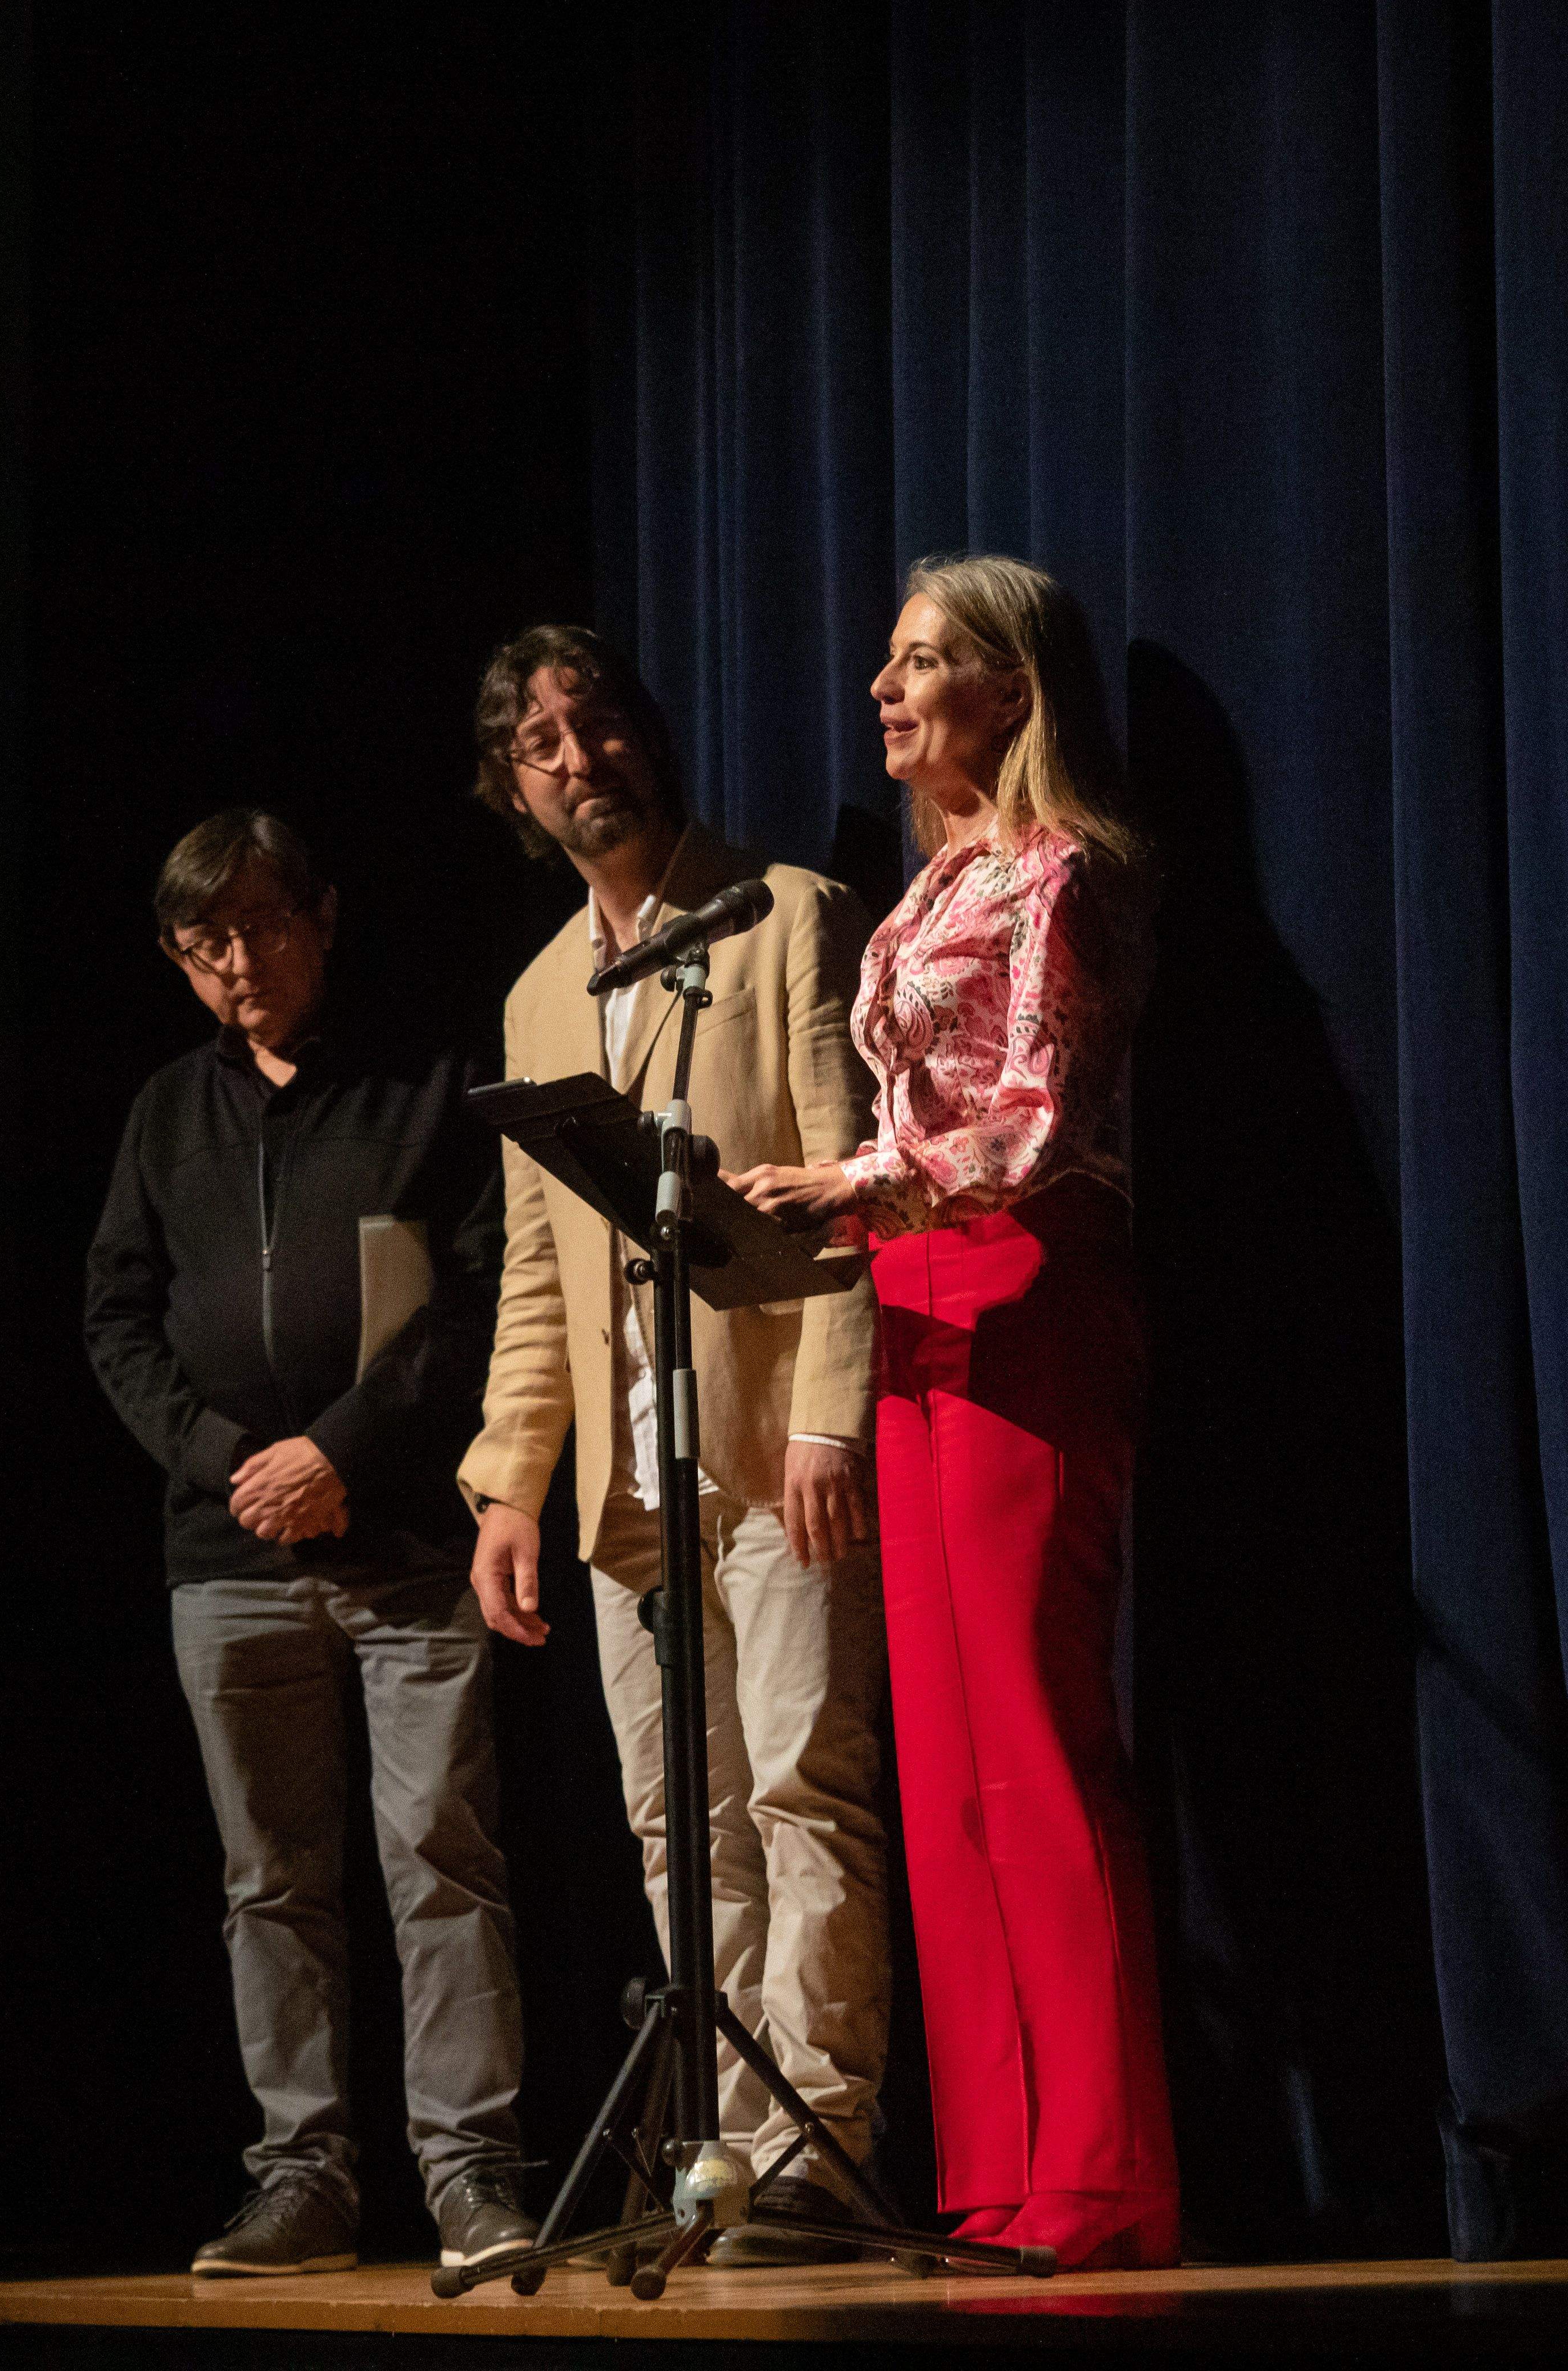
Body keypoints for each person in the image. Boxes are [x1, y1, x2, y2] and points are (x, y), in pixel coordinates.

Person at [730, 554, 1179, 2272]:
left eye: (923, 663)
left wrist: (848, 1183)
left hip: (1026, 1287)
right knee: (944, 1769)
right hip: (912, 1310)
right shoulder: (922, 894)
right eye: (888, 663)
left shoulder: (1066, 878)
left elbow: (1040, 1118)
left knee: (1036, 1741)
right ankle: (999, 2166)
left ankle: (1106, 2169)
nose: (884, 691)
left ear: (1013, 686)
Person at [454, 626, 895, 2267]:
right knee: (673, 1821)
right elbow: (535, 1281)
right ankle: (718, 2149)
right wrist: (511, 1477)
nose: (581, 758)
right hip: (626, 1486)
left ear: (650, 736)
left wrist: (829, 1410)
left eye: (601, 723)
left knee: (803, 1785)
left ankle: (818, 2152)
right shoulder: (534, 993)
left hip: (774, 1446)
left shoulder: (782, 916)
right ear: (514, 789)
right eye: (543, 744)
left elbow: (848, 1184)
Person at [82, 808, 540, 2277]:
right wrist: (233, 1468)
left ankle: (471, 2176)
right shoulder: (165, 1114)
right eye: (205, 942)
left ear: (324, 919)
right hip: (228, 1562)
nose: (238, 961)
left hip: (401, 1535)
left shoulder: (424, 1090)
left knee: (439, 1860)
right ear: (178, 957)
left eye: (264, 925)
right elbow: (118, 1322)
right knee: (270, 1882)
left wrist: (340, 1453)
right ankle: (306, 2182)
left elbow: (472, 1303)